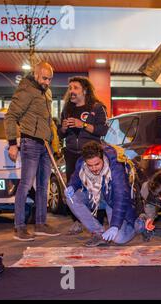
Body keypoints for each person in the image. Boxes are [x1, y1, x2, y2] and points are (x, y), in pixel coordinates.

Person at [4, 61, 61, 241]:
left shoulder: (47, 93)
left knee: (43, 186)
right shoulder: (26, 89)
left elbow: (47, 121)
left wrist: (54, 143)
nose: (47, 82)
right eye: (44, 78)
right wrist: (13, 143)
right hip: (30, 143)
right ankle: (19, 226)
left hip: (45, 145)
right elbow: (11, 116)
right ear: (36, 75)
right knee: (26, 184)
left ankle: (40, 223)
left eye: (50, 79)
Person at [59, 76, 109, 235]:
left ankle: (98, 222)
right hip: (72, 154)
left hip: (90, 155)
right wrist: (64, 129)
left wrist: (84, 125)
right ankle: (76, 221)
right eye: (70, 88)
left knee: (95, 187)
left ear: (85, 90)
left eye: (75, 88)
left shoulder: (97, 107)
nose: (71, 91)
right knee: (72, 188)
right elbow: (60, 134)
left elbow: (103, 130)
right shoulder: (67, 108)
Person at [64, 141, 137, 247]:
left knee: (118, 239)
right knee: (72, 198)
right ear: (85, 162)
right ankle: (98, 232)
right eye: (90, 165)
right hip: (95, 197)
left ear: (102, 157)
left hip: (112, 201)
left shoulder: (115, 166)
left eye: (97, 164)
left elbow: (120, 196)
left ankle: (135, 227)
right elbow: (75, 179)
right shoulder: (81, 163)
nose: (94, 168)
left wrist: (115, 226)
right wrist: (72, 186)